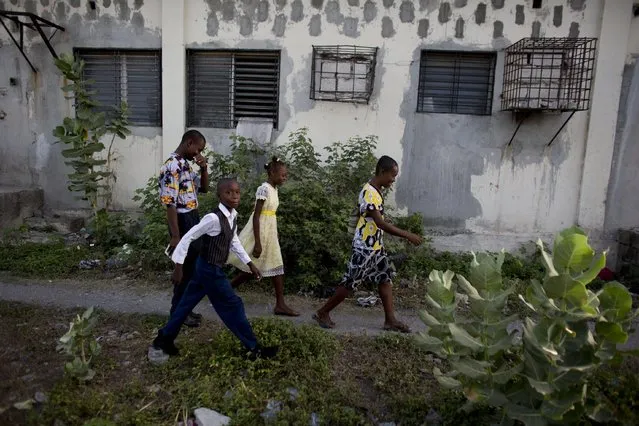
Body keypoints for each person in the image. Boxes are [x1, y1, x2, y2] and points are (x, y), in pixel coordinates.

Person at [152, 178, 279, 360]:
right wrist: (178, 266)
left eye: (237, 192)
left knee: (185, 304)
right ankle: (254, 348)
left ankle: (163, 339)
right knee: (233, 305)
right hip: (210, 270)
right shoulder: (213, 218)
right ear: (219, 195)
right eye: (228, 192)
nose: (234, 196)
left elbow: (233, 241)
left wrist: (250, 264)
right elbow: (188, 237)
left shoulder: (232, 215)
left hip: (204, 267)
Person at [313, 156, 423, 333]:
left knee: (385, 279)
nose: (393, 180)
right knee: (350, 282)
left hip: (375, 247)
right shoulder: (369, 192)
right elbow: (379, 223)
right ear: (382, 172)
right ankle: (322, 312)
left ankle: (390, 320)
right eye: (392, 176)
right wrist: (407, 235)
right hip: (365, 247)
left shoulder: (376, 190)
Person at [228, 157, 299, 316]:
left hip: (270, 232)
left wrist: (275, 234)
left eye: (285, 175)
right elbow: (256, 216)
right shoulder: (264, 189)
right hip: (259, 232)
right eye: (282, 175)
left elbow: (271, 214)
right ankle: (224, 290)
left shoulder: (275, 189)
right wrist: (258, 243)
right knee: (251, 269)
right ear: (272, 173)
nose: (284, 178)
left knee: (275, 266)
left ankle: (280, 304)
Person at [159, 130, 208, 328]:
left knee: (191, 268)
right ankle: (177, 312)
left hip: (193, 217)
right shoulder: (172, 166)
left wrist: (204, 168)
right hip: (181, 220)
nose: (199, 153)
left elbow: (204, 189)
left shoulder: (186, 165)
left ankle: (183, 309)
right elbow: (170, 204)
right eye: (199, 149)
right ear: (189, 143)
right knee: (184, 268)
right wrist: (176, 236)